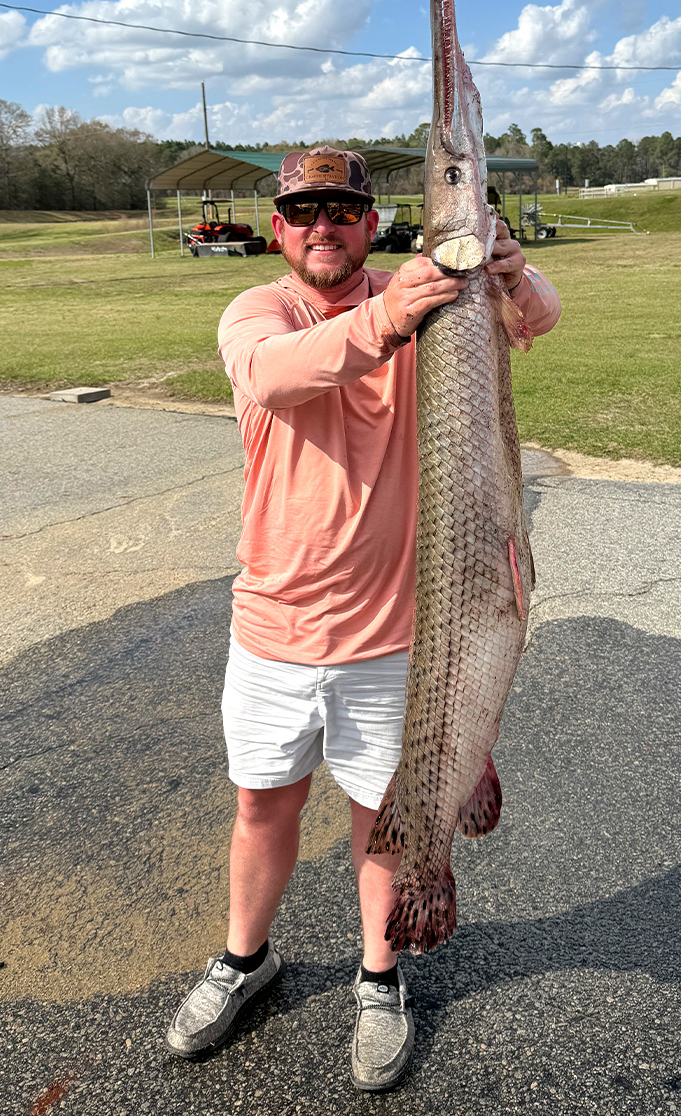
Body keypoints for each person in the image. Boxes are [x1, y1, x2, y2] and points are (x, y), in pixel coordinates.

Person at [165, 145, 561, 1091]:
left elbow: (536, 318)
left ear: (371, 220)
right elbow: (275, 377)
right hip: (274, 627)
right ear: (278, 228)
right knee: (263, 804)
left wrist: (512, 270)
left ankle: (378, 977)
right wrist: (392, 314)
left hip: (398, 638)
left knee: (387, 810)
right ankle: (244, 960)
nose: (323, 227)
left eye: (342, 209)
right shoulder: (261, 310)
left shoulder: (427, 290)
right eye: (303, 212)